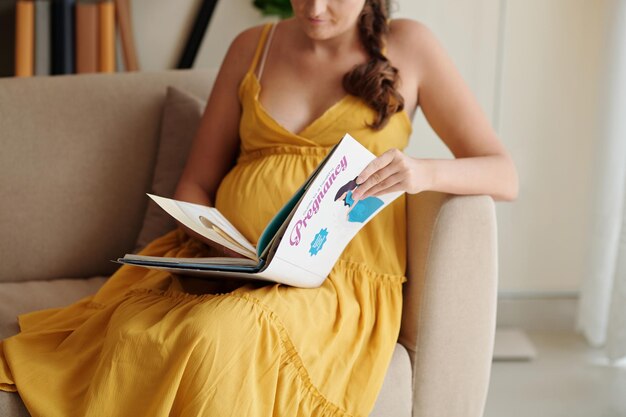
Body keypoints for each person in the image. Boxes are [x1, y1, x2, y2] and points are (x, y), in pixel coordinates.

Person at [0, 0, 518, 416]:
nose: (313, 9)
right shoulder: (252, 46)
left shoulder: (412, 45)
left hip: (334, 281)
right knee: (137, 334)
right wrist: (220, 242)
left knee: (214, 336)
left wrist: (423, 172)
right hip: (227, 262)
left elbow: (503, 172)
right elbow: (196, 182)